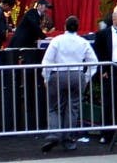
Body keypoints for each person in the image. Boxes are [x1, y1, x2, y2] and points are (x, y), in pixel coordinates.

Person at [41, 15, 98, 153]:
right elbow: (94, 61)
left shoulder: (57, 40)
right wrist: (86, 77)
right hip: (77, 75)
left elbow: (47, 61)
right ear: (78, 28)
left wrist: (46, 77)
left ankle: (54, 134)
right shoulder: (83, 42)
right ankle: (69, 139)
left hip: (58, 75)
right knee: (73, 108)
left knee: (54, 107)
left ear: (65, 26)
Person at [92, 7, 117, 143]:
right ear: (114, 20)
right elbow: (97, 53)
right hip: (110, 70)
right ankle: (106, 133)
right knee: (108, 102)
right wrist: (102, 70)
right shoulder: (103, 34)